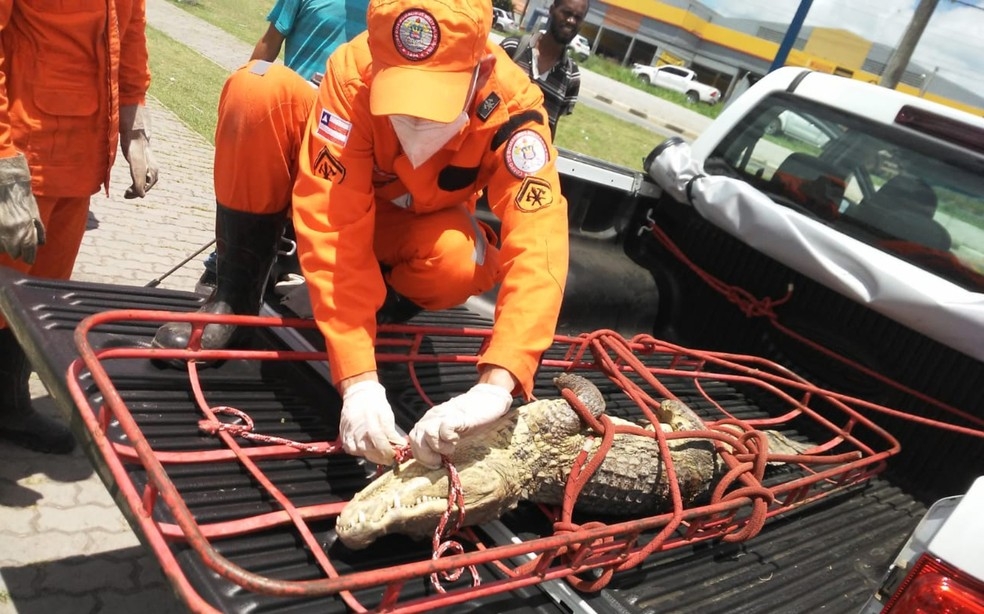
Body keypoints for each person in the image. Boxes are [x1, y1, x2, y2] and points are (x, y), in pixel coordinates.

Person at [153, 0, 569, 469]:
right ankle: (235, 296)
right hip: (339, 206)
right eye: (401, 95)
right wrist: (358, 379)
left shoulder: (513, 110)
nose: (414, 120)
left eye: (435, 102)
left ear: (482, 70)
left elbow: (540, 242)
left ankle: (376, 308)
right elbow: (333, 221)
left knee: (461, 260)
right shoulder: (353, 73)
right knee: (258, 89)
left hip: (406, 231)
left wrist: (498, 381)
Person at [0, 0, 159, 454]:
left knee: (38, 299)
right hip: (22, 157)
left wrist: (135, 129)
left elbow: (130, 35)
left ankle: (8, 405)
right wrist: (3, 165)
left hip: (81, 161)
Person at [198, 0, 369, 294]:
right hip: (292, 114)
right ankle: (227, 262)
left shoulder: (397, 10)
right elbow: (269, 42)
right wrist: (244, 104)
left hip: (349, 131)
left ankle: (306, 264)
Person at [499, 0, 588, 137]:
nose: (571, 21)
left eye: (578, 17)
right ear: (551, 10)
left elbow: (551, 126)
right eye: (566, 13)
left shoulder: (571, 76)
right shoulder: (512, 48)